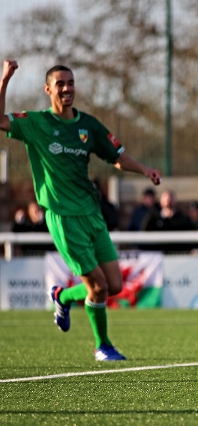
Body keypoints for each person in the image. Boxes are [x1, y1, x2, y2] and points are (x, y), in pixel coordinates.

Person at [0, 60, 162, 361]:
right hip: (63, 216)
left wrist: (144, 170)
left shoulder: (88, 125)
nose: (66, 88)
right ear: (48, 89)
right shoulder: (36, 123)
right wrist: (5, 78)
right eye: (60, 84)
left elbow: (117, 156)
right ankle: (103, 346)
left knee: (114, 285)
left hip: (92, 214)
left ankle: (62, 295)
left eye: (70, 83)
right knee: (97, 286)